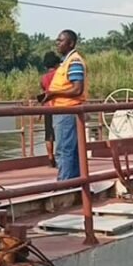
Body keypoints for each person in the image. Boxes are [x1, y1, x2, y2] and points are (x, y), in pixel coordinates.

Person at [42, 30, 86, 180]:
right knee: (71, 150)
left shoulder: (73, 61)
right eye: (57, 40)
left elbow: (77, 89)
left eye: (61, 41)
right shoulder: (66, 61)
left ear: (71, 43)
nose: (57, 43)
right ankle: (74, 182)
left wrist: (54, 94)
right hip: (64, 110)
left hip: (67, 110)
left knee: (64, 150)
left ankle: (64, 183)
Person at [38, 51, 62, 168]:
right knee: (60, 133)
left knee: (48, 135)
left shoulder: (43, 78)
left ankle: (50, 157)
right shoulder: (60, 74)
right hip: (59, 106)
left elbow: (43, 91)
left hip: (47, 107)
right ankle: (60, 157)